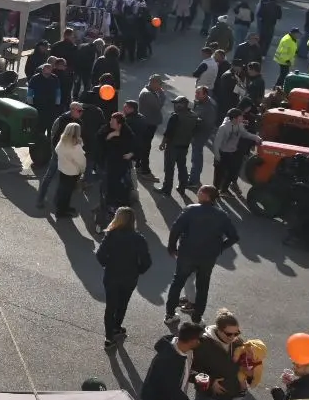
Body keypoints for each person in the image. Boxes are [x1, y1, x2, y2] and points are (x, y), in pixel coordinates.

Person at [165, 185, 239, 323]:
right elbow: (234, 237)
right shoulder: (222, 215)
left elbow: (176, 229)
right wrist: (220, 248)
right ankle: (197, 318)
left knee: (178, 282)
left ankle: (170, 314)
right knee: (203, 286)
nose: (198, 192)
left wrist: (172, 247)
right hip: (208, 257)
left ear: (206, 196)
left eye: (200, 191)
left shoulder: (190, 210)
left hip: (187, 253)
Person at [95, 207, 151, 347]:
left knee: (110, 306)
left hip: (111, 275)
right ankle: (116, 327)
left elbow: (100, 256)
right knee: (123, 303)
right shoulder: (139, 239)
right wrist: (138, 271)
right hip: (129, 277)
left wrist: (108, 265)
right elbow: (147, 262)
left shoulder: (111, 235)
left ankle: (109, 338)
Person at [139, 321, 213, 400]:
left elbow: (181, 372)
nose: (200, 342)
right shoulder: (168, 360)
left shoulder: (185, 350)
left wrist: (195, 377)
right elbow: (173, 391)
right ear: (192, 341)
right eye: (199, 339)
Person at [211, 108, 259, 195]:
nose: (242, 118)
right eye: (240, 117)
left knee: (232, 172)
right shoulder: (224, 128)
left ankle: (224, 190)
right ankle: (214, 192)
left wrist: (256, 138)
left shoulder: (239, 124)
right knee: (219, 175)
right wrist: (217, 157)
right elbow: (216, 144)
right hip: (222, 153)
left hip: (232, 152)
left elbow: (245, 134)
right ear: (234, 118)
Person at [52, 122, 86, 220]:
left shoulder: (62, 141)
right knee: (67, 192)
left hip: (63, 170)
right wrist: (82, 170)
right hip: (72, 172)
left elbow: (57, 150)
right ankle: (62, 211)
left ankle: (63, 208)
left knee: (63, 191)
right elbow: (81, 161)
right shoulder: (76, 146)